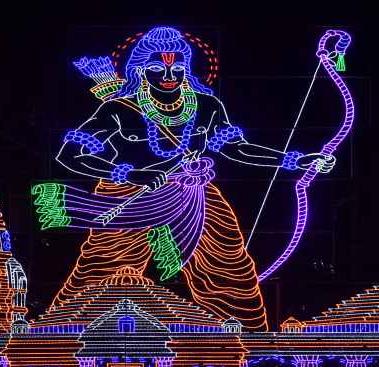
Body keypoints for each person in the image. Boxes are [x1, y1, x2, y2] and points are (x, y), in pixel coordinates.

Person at [48, 26, 336, 331]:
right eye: (158, 67)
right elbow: (70, 154)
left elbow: (237, 149)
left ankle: (247, 347)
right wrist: (130, 172)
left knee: (230, 270)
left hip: (194, 196)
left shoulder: (206, 106)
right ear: (141, 70)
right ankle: (57, 343)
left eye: (177, 66)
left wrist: (294, 160)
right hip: (128, 195)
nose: (168, 74)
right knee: (103, 272)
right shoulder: (119, 109)